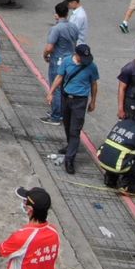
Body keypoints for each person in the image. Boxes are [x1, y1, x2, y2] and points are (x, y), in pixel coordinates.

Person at [45, 44, 99, 174]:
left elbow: (94, 84)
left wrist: (93, 101)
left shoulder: (91, 66)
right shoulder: (67, 62)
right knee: (67, 125)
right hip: (66, 98)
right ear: (76, 54)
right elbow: (59, 77)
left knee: (75, 130)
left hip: (80, 101)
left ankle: (70, 159)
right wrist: (51, 92)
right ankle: (70, 146)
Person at [41, 1, 79, 124]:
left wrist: (45, 55)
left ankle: (56, 116)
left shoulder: (56, 28)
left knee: (55, 87)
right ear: (67, 13)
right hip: (71, 60)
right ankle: (61, 112)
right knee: (64, 88)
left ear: (56, 14)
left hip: (58, 61)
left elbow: (49, 47)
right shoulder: (73, 27)